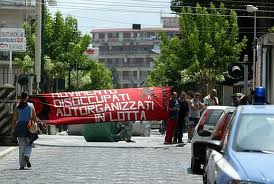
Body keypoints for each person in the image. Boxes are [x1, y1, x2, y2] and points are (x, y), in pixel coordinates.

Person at [11, 91, 38, 170]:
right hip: (29, 127)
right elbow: (34, 117)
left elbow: (14, 119)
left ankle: (22, 165)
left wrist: (13, 129)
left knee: (21, 146)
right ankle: (27, 155)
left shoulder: (17, 106)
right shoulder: (31, 106)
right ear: (27, 97)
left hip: (19, 128)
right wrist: (36, 126)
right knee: (29, 143)